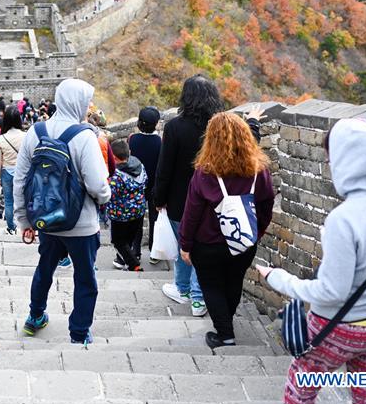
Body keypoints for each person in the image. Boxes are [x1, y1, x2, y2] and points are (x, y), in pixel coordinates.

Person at [259, 118, 366, 404]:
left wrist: (277, 278)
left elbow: (332, 292)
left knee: (302, 385)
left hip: (339, 326)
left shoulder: (344, 218)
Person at [154, 75, 262, 318]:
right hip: (216, 201)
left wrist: (158, 198)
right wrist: (253, 123)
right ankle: (193, 293)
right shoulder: (223, 125)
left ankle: (191, 294)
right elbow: (249, 144)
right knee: (199, 247)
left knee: (185, 242)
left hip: (179, 200)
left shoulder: (174, 127)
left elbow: (165, 168)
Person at [14, 79, 111, 346]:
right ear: (78, 103)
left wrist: (24, 219)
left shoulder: (35, 132)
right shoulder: (84, 136)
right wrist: (106, 196)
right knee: (85, 278)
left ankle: (35, 316)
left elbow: (20, 180)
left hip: (47, 221)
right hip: (81, 224)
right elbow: (98, 185)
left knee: (45, 268)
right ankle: (79, 334)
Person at [179, 112, 275, 348]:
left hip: (207, 242)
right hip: (243, 242)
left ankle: (224, 333)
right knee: (233, 283)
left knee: (211, 285)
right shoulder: (259, 170)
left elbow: (192, 213)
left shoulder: (205, 173)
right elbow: (267, 205)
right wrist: (257, 233)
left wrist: (185, 244)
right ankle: (226, 324)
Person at [107, 140, 147, 271]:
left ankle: (133, 263)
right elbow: (146, 182)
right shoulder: (139, 166)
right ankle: (121, 259)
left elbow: (110, 194)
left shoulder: (116, 175)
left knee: (118, 241)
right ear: (128, 152)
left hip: (120, 214)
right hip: (138, 210)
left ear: (113, 157)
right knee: (128, 239)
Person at [128, 107, 161, 265]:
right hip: (154, 185)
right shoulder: (160, 142)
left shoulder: (133, 139)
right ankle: (154, 251)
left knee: (137, 217)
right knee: (155, 219)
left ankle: (136, 250)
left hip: (136, 184)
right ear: (156, 124)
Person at [0, 105, 25, 234]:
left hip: (7, 172)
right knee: (24, 200)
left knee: (9, 201)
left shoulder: (1, 138)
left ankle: (11, 227)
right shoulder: (26, 136)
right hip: (22, 172)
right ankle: (26, 226)